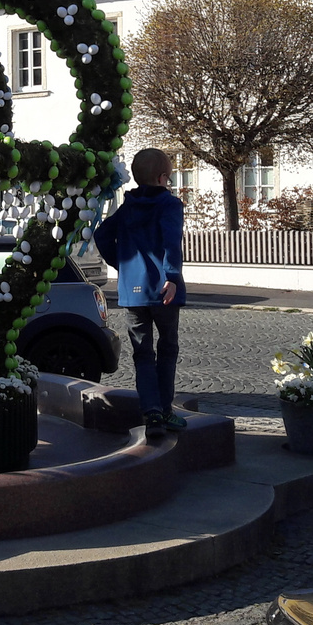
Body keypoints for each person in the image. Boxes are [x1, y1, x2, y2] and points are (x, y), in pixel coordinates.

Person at [93, 148, 186, 438]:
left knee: (142, 353)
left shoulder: (128, 206)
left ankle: (152, 413)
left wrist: (122, 264)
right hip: (163, 291)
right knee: (167, 349)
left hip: (132, 293)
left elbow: (102, 234)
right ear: (162, 177)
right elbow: (171, 242)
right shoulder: (169, 205)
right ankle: (166, 409)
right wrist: (171, 276)